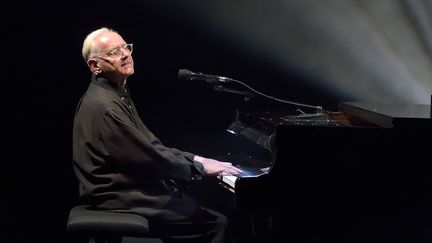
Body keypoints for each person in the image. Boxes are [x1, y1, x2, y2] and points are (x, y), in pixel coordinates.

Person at [72, 27, 242, 243]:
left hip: (121, 188)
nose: (125, 54)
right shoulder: (107, 107)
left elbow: (150, 144)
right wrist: (197, 168)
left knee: (191, 202)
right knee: (215, 223)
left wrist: (195, 159)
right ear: (95, 65)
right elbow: (149, 156)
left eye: (126, 47)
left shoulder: (115, 93)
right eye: (114, 52)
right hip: (116, 195)